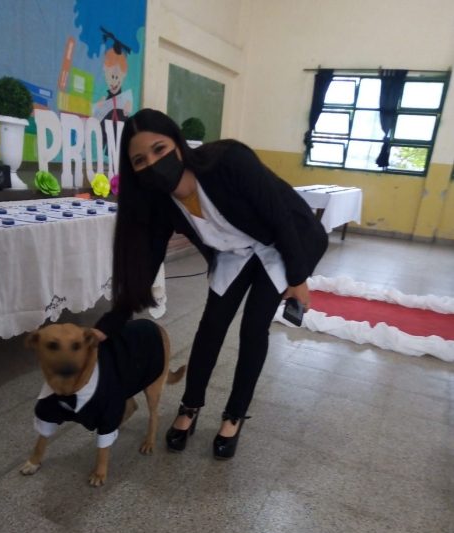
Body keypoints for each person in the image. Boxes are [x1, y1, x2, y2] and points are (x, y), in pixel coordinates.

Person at [96, 108, 328, 459]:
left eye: (160, 149)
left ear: (177, 141)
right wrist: (114, 319)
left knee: (253, 328)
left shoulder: (228, 161)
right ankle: (190, 406)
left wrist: (297, 278)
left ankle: (234, 415)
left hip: (285, 241)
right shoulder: (161, 202)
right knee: (211, 327)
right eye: (140, 160)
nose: (153, 163)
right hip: (235, 251)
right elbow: (147, 261)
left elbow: (280, 217)